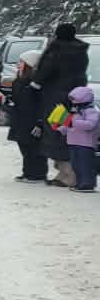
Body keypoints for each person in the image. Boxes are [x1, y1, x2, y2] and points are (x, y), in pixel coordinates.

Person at [34, 24, 90, 187]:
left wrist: (35, 83)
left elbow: (45, 71)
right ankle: (63, 172)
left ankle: (69, 174)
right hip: (75, 96)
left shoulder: (57, 50)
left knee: (55, 131)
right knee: (68, 132)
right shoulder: (81, 51)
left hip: (55, 97)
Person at [9, 52, 49, 182]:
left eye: (21, 62)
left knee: (34, 147)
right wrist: (8, 103)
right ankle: (27, 172)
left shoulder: (36, 82)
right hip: (20, 119)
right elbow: (18, 99)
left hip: (32, 119)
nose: (18, 64)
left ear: (29, 64)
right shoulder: (18, 80)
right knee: (24, 146)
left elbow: (42, 102)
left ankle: (37, 174)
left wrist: (40, 122)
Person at [64, 86, 98, 193]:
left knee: (85, 164)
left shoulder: (91, 111)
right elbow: (68, 124)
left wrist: (73, 122)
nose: (73, 102)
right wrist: (62, 128)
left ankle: (87, 184)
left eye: (75, 99)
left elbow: (90, 125)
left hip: (86, 143)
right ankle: (80, 182)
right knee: (76, 165)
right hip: (73, 142)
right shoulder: (74, 112)